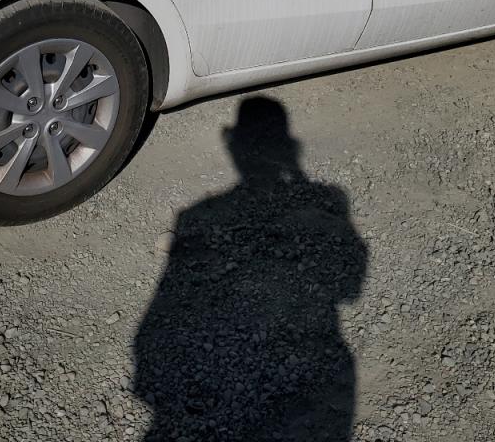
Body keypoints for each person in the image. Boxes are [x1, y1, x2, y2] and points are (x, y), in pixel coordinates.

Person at [133, 96, 367, 441]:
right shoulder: (328, 199)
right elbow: (350, 289)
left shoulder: (195, 215)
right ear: (291, 144)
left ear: (231, 143)